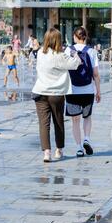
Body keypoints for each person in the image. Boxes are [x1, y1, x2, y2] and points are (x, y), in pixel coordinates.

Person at [32, 28, 81, 162]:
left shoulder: (41, 54)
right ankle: (59, 150)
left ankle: (46, 153)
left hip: (40, 92)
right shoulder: (60, 56)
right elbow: (76, 64)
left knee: (44, 123)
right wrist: (74, 54)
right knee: (58, 122)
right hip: (56, 94)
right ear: (58, 40)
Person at [64, 27, 101, 158]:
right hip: (88, 90)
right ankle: (86, 139)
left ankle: (79, 148)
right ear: (85, 37)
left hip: (72, 90)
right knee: (87, 117)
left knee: (75, 120)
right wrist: (98, 91)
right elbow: (96, 74)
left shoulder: (68, 50)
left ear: (74, 36)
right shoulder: (92, 51)